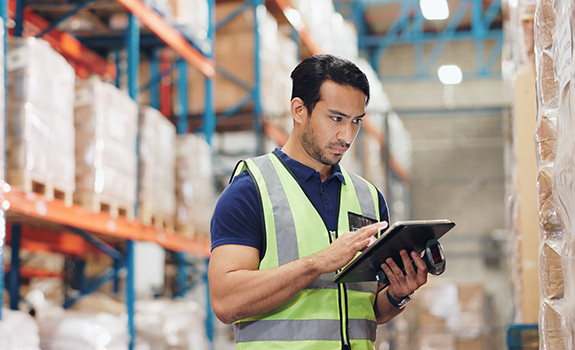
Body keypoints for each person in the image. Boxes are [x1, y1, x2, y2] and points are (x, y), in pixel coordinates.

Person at [208, 54, 429, 349]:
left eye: (356, 122)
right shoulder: (252, 189)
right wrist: (316, 264)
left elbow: (365, 311)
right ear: (299, 110)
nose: (347, 136)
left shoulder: (368, 198)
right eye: (336, 119)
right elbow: (225, 301)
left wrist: (397, 295)